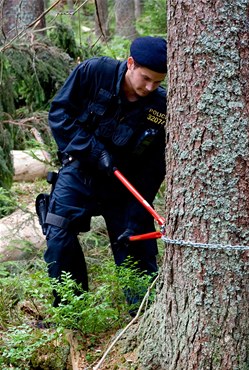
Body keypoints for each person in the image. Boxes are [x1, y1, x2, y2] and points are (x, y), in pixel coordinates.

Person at [43, 36, 167, 310]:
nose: (150, 87)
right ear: (131, 63)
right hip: (81, 169)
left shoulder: (161, 107)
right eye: (146, 78)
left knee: (135, 242)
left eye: (157, 82)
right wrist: (91, 149)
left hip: (127, 184)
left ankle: (143, 316)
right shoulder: (94, 72)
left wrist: (138, 213)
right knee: (59, 233)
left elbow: (156, 165)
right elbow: (60, 114)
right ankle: (72, 311)